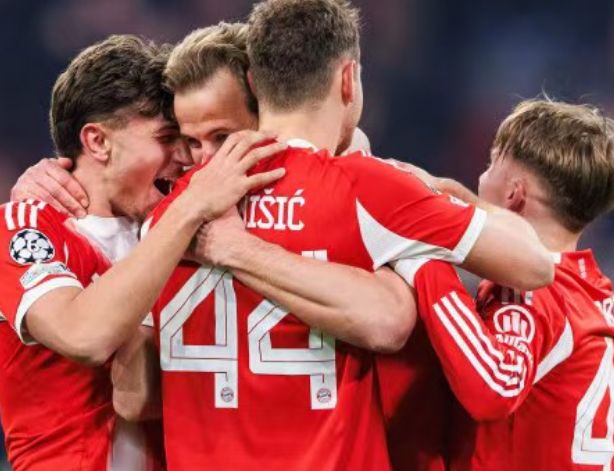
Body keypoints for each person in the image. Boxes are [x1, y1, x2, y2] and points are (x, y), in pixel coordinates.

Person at [141, 2, 554, 470]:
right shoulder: (368, 189)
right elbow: (534, 264)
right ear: (348, 79)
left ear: (254, 83)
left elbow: (134, 392)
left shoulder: (174, 212)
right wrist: (451, 195)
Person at [0, 34, 285, 471]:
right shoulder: (24, 226)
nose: (185, 157)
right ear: (97, 142)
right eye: (167, 137)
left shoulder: (185, 226)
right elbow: (83, 336)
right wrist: (189, 210)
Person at [400, 99, 614, 470]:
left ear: (514, 194)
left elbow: (494, 387)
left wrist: (423, 262)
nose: (480, 177)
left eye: (490, 165)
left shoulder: (528, 290)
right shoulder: (595, 295)